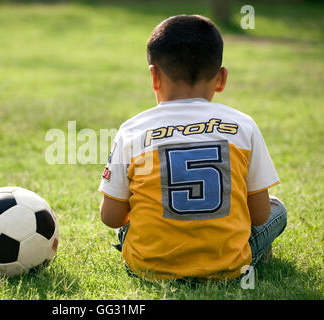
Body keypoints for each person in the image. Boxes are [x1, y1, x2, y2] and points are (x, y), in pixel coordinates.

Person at [98, 15, 287, 280]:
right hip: (229, 267)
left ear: (154, 76)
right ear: (221, 78)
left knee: (129, 222)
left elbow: (111, 217)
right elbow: (259, 215)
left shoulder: (132, 130)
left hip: (147, 266)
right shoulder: (243, 125)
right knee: (278, 209)